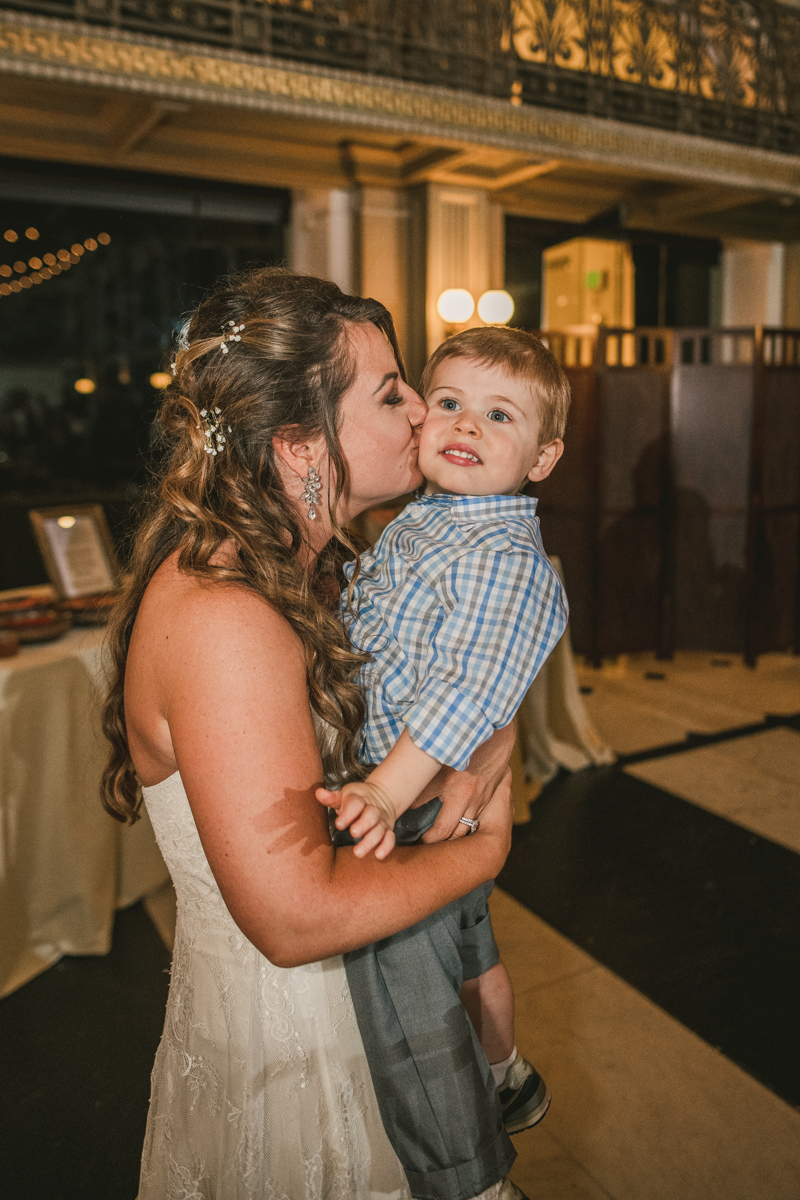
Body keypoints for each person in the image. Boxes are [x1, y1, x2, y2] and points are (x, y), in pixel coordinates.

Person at [100, 268, 525, 1200]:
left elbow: (466, 675)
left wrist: (491, 739)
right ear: (299, 444)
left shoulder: (322, 569)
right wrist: (486, 851)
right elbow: (294, 920)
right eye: (390, 394)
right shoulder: (224, 617)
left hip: (375, 1015)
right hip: (293, 1050)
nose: (422, 411)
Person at [317, 327, 569, 1184]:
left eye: (501, 415)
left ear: (543, 458)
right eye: (450, 403)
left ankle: (469, 1173)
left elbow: (466, 692)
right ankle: (510, 1075)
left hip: (415, 801)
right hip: (408, 790)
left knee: (411, 1015)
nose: (465, 425)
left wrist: (386, 796)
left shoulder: (501, 556)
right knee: (471, 956)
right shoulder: (428, 520)